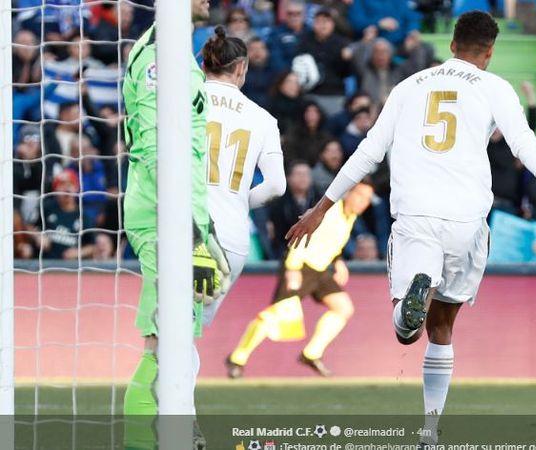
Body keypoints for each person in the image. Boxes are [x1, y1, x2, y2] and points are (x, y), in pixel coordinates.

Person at [285, 11, 536, 446]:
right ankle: (430, 432)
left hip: (418, 215)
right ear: (489, 53)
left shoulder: (407, 87)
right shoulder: (496, 88)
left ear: (452, 45)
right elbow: (527, 146)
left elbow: (369, 152)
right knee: (443, 328)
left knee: (406, 331)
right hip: (468, 222)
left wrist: (322, 206)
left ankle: (410, 304)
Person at [121, 1, 229, 449]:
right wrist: (190, 237)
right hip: (163, 220)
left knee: (176, 343)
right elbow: (151, 149)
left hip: (185, 218)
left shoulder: (177, 49)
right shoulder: (156, 56)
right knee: (160, 342)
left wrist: (204, 230)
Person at [226, 182, 374, 378]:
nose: (363, 203)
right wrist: (292, 268)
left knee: (343, 308)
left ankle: (311, 354)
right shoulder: (328, 211)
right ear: (348, 194)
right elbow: (302, 234)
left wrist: (338, 261)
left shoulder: (350, 216)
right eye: (360, 196)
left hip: (320, 269)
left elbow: (332, 242)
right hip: (301, 266)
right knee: (274, 317)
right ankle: (238, 357)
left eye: (367, 200)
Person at [201, 26, 287, 325]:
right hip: (232, 236)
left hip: (185, 230)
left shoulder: (182, 102)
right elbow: (276, 185)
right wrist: (238, 202)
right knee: (191, 331)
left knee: (168, 332)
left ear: (204, 64)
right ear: (241, 68)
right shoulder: (262, 118)